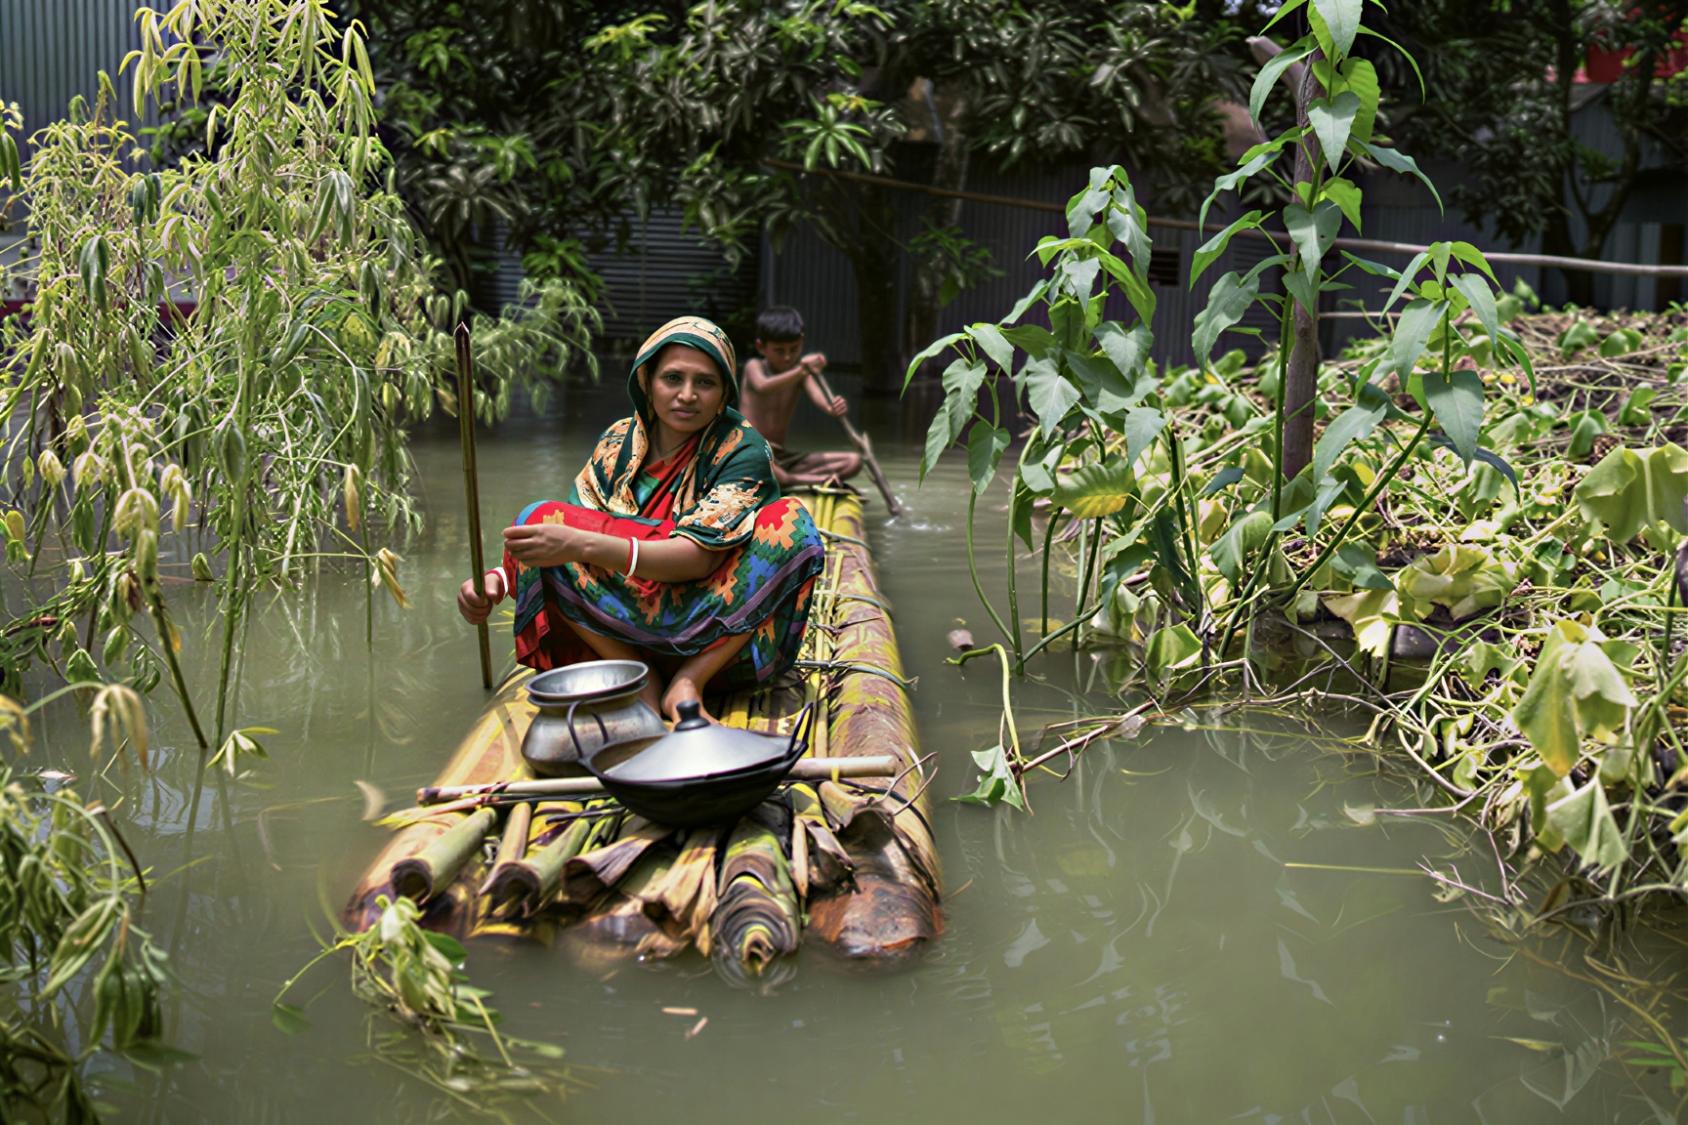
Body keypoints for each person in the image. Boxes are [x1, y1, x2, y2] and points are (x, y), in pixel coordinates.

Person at [456, 315, 826, 721]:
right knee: (542, 515)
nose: (687, 395)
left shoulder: (742, 447)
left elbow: (696, 558)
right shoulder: (618, 441)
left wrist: (580, 543)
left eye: (704, 382)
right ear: (647, 382)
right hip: (619, 629)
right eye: (673, 378)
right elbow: (567, 535)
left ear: (724, 395)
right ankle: (641, 675)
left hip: (712, 622)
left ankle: (688, 682)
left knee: (792, 523)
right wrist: (496, 580)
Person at [739, 306, 863, 489]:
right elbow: (763, 386)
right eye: (779, 351)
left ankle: (790, 478)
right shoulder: (754, 366)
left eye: (794, 349)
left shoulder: (801, 374)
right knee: (763, 466)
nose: (788, 357)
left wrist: (833, 407)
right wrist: (803, 369)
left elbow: (820, 398)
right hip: (752, 453)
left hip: (781, 457)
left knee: (854, 461)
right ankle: (804, 480)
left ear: (802, 342)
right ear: (761, 347)